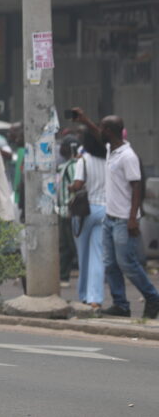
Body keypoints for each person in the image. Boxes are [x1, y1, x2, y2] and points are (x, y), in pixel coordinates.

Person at [72, 109, 159, 319]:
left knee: (127, 263)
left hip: (123, 220)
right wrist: (85, 119)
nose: (99, 130)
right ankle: (121, 304)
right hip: (109, 218)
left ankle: (152, 296)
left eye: (103, 127)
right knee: (110, 264)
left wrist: (132, 219)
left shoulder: (128, 156)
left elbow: (137, 187)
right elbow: (95, 132)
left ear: (110, 131)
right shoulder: (112, 149)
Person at [70, 130, 107, 311]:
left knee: (83, 256)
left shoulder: (83, 161)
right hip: (104, 210)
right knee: (98, 256)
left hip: (85, 210)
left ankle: (84, 294)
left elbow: (77, 185)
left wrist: (70, 187)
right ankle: (95, 298)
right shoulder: (108, 160)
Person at [55, 137, 79, 288]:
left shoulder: (73, 166)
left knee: (73, 246)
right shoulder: (64, 165)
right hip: (62, 211)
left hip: (70, 212)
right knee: (64, 246)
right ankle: (63, 277)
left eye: (63, 146)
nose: (60, 149)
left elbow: (77, 188)